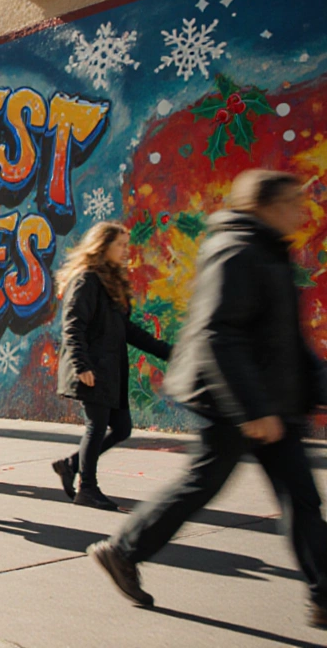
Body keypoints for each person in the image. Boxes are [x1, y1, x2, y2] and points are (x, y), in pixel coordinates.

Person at [89, 171, 327, 626]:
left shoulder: (270, 250)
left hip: (271, 401)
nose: (302, 208)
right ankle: (123, 551)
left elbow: (287, 339)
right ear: (264, 206)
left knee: (303, 500)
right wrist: (251, 409)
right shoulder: (236, 250)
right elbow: (222, 336)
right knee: (200, 487)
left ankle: (324, 595)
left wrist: (316, 387)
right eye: (293, 201)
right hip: (236, 402)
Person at [50, 222, 171, 511]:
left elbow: (126, 330)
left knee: (122, 427)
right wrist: (81, 364)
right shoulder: (87, 280)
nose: (125, 250)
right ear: (102, 246)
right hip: (92, 367)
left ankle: (71, 465)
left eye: (126, 244)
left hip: (109, 368)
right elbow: (72, 325)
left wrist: (168, 352)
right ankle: (87, 488)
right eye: (120, 244)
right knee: (97, 425)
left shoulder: (111, 281)